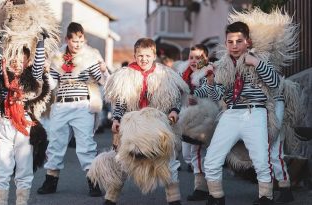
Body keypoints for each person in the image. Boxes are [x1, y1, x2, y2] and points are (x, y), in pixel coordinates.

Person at [100, 38, 189, 205]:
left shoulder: (166, 74)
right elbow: (120, 102)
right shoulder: (125, 75)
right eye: (140, 55)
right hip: (132, 124)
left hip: (158, 124)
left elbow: (175, 98)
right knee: (123, 160)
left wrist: (174, 111)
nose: (144, 59)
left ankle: (174, 200)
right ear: (135, 55)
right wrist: (117, 118)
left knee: (168, 161)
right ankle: (110, 199)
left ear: (154, 55)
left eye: (148, 55)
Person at [201, 21, 280, 205]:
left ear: (248, 42)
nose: (234, 45)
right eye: (230, 41)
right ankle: (216, 196)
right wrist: (211, 81)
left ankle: (266, 198)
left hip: (255, 112)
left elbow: (275, 82)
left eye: (239, 41)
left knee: (261, 159)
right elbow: (215, 96)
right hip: (230, 113)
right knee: (212, 157)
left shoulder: (260, 59)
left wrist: (256, 63)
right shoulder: (220, 65)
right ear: (225, 43)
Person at [37, 22, 108, 197]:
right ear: (67, 39)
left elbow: (103, 81)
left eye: (80, 40)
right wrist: (46, 72)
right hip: (61, 104)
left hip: (82, 105)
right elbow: (52, 83)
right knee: (56, 143)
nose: (77, 44)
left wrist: (104, 70)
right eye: (74, 40)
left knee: (86, 144)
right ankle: (50, 181)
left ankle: (93, 181)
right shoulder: (57, 57)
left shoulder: (90, 56)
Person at [0, 29, 49, 205]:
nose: (17, 62)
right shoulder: (1, 78)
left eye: (22, 59)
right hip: (5, 125)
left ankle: (21, 202)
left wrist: (41, 42)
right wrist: (0, 44)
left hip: (25, 127)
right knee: (2, 169)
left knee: (24, 170)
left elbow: (38, 67)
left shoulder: (32, 78)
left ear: (27, 61)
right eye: (13, 58)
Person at [176, 44, 215, 201]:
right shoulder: (183, 72)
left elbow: (209, 91)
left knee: (197, 153)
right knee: (187, 154)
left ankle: (202, 188)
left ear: (205, 58)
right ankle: (205, 185)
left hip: (202, 117)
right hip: (186, 118)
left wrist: (196, 96)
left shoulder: (208, 72)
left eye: (198, 58)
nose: (193, 61)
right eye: (191, 57)